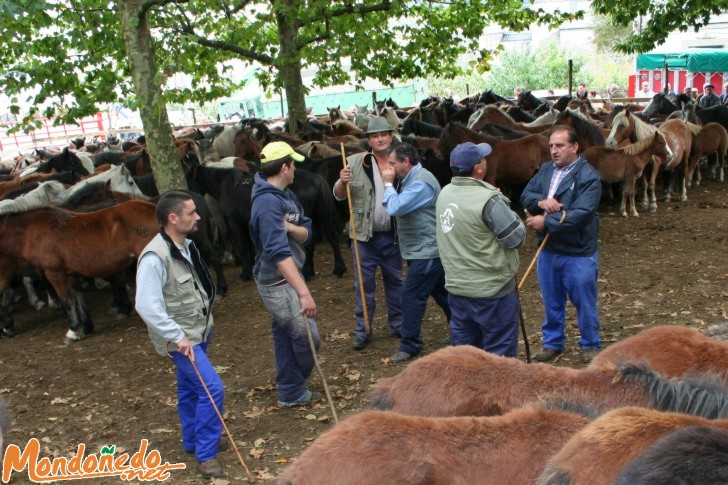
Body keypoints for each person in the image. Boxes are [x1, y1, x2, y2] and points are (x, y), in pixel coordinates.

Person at [135, 190, 224, 479]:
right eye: (191, 213)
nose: (198, 217)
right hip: (183, 339)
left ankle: (193, 440)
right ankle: (207, 455)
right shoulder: (154, 258)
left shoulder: (185, 245)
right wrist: (177, 335)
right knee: (212, 389)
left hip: (197, 331)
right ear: (173, 218)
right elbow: (146, 305)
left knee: (189, 388)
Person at [520, 125, 602, 364]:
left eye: (560, 146)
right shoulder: (546, 170)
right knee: (551, 300)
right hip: (548, 251)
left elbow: (582, 213)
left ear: (574, 147)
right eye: (551, 146)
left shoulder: (589, 176)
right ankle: (553, 342)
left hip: (578, 252)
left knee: (584, 301)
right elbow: (526, 196)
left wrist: (546, 222)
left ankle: (590, 344)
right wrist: (543, 202)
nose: (554, 151)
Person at [436, 142, 526, 357]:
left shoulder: (445, 193)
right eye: (483, 158)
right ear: (478, 168)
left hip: (458, 290)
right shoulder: (490, 200)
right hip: (492, 292)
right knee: (499, 358)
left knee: (466, 357)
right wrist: (503, 203)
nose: (486, 161)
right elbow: (516, 238)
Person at [249, 141, 322, 408]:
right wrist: (304, 292)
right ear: (283, 167)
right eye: (293, 166)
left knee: (286, 333)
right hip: (278, 281)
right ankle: (293, 384)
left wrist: (290, 227)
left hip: (290, 274)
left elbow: (306, 233)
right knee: (307, 337)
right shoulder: (267, 204)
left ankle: (290, 391)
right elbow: (279, 254)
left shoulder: (286, 195)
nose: (296, 171)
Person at [333, 117, 403, 350]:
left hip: (392, 236)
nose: (380, 139)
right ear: (369, 140)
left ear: (391, 136)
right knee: (363, 284)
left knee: (395, 282)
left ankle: (398, 324)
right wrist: (342, 183)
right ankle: (364, 329)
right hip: (363, 237)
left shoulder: (401, 161)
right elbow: (338, 195)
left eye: (384, 134)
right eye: (375, 135)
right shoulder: (353, 161)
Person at [380, 142, 451, 362]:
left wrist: (387, 184)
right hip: (423, 250)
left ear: (406, 162)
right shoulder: (411, 179)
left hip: (427, 252)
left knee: (410, 296)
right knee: (444, 295)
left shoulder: (421, 183)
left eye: (392, 163)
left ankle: (410, 344)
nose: (389, 168)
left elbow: (395, 207)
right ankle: (466, 331)